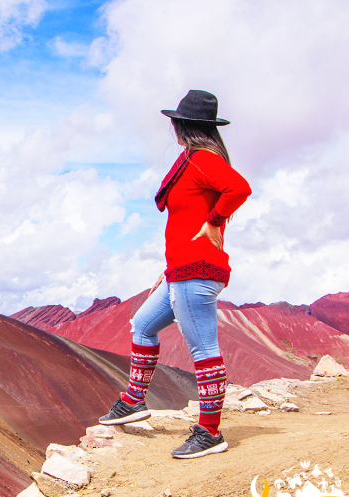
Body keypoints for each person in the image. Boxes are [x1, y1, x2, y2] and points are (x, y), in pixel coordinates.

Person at [98, 89, 251, 459]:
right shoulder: (191, 161)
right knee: (142, 325)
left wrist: (214, 221)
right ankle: (134, 401)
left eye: (175, 123)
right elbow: (184, 223)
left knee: (204, 349)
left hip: (196, 272)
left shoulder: (203, 160)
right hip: (179, 271)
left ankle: (210, 433)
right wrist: (167, 270)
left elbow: (239, 188)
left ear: (183, 126)